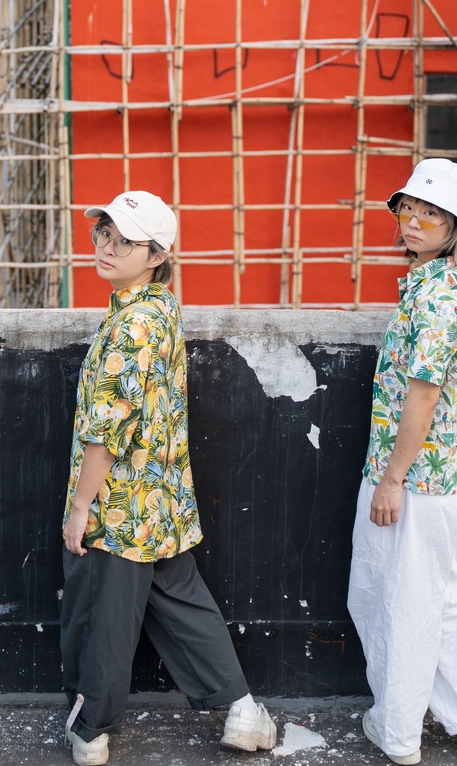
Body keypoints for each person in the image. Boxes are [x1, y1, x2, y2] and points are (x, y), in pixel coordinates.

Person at [60, 190, 279, 766]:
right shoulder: (159, 308)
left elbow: (106, 431)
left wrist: (81, 505)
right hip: (162, 499)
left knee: (108, 616)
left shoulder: (131, 325)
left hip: (121, 499)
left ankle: (92, 731)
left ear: (156, 254)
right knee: (182, 599)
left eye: (124, 241)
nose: (106, 248)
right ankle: (244, 710)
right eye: (103, 234)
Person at [348, 159, 457, 766]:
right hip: (454, 479)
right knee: (451, 599)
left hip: (418, 481)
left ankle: (399, 735)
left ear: (455, 228)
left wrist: (392, 480)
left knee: (398, 602)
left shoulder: (437, 295)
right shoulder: (451, 283)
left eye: (431, 214)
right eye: (407, 209)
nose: (413, 222)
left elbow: (423, 395)